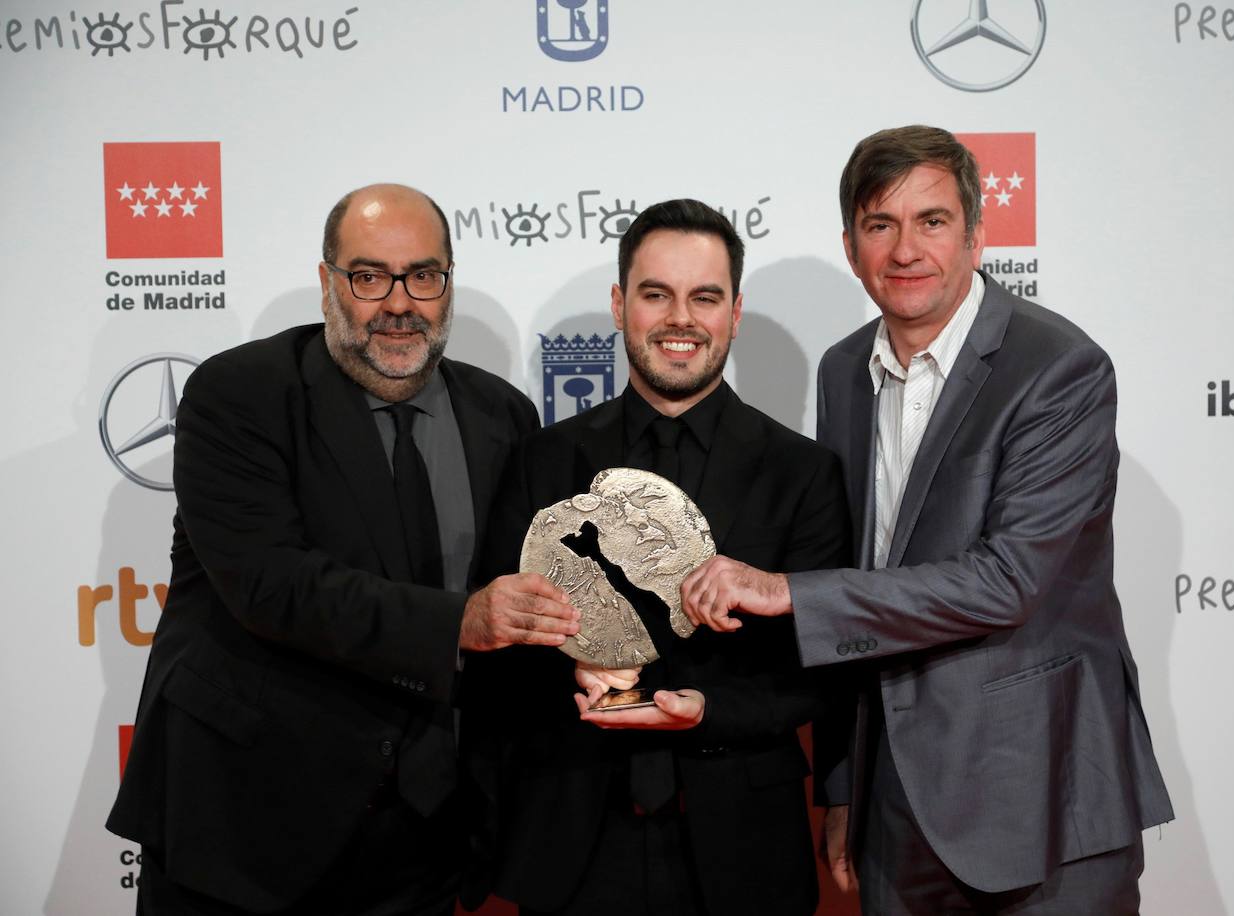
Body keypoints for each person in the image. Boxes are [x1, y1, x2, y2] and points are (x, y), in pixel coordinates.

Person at [681, 126, 1174, 914]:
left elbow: (1007, 583)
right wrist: (842, 785)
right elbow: (862, 566)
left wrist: (791, 593)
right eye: (881, 225)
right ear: (851, 247)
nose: (906, 250)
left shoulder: (1058, 369)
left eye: (932, 221)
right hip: (894, 807)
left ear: (977, 234)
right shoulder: (843, 369)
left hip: (1038, 797)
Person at [107, 183, 579, 916]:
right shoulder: (240, 395)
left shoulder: (503, 415)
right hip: (245, 832)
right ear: (327, 284)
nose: (399, 302)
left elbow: (525, 602)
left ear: (449, 285)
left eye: (424, 276)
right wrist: (461, 622)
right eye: (369, 277)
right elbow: (272, 584)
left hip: (422, 838)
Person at [470, 199, 850, 916]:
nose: (681, 319)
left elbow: (820, 676)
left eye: (704, 297)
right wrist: (566, 662)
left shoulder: (803, 473)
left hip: (742, 847)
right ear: (619, 305)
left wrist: (705, 708)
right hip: (572, 839)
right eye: (656, 294)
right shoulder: (539, 463)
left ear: (735, 312)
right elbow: (492, 648)